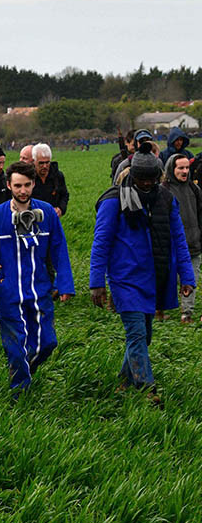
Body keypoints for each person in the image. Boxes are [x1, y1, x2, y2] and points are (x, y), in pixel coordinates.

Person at [91, 150, 194, 401]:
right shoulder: (113, 202)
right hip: (125, 279)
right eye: (142, 179)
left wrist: (187, 276)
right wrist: (97, 283)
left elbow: (179, 239)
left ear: (159, 176)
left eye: (152, 178)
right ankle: (147, 389)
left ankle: (124, 383)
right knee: (136, 334)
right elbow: (101, 242)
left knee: (144, 336)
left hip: (155, 277)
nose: (147, 184)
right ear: (133, 175)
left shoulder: (166, 199)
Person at [0, 161, 75, 394]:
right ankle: (19, 392)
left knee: (48, 342)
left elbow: (59, 249)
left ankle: (24, 370)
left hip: (40, 289)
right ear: (9, 185)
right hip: (10, 291)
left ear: (33, 185)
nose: (23, 191)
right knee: (16, 345)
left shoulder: (48, 213)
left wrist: (65, 284)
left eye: (27, 185)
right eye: (18, 185)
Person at [162, 153, 202, 322]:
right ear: (172, 169)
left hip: (193, 244)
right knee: (169, 280)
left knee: (191, 279)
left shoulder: (195, 189)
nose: (185, 171)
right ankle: (160, 310)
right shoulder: (164, 191)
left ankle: (187, 313)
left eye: (187, 168)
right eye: (181, 168)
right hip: (171, 246)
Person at [30, 143, 69, 217]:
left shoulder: (57, 176)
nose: (45, 166)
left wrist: (61, 209)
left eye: (47, 162)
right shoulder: (28, 177)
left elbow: (64, 195)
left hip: (52, 218)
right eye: (41, 163)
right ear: (34, 161)